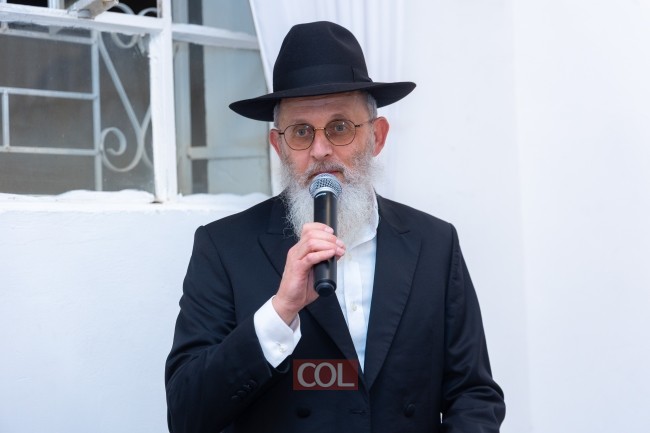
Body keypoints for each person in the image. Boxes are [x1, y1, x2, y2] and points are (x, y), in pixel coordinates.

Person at [165, 21, 505, 433]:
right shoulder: (223, 247)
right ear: (278, 147)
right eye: (301, 132)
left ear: (377, 137)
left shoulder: (436, 243)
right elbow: (187, 414)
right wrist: (280, 311)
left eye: (340, 127)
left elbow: (473, 394)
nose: (321, 150)